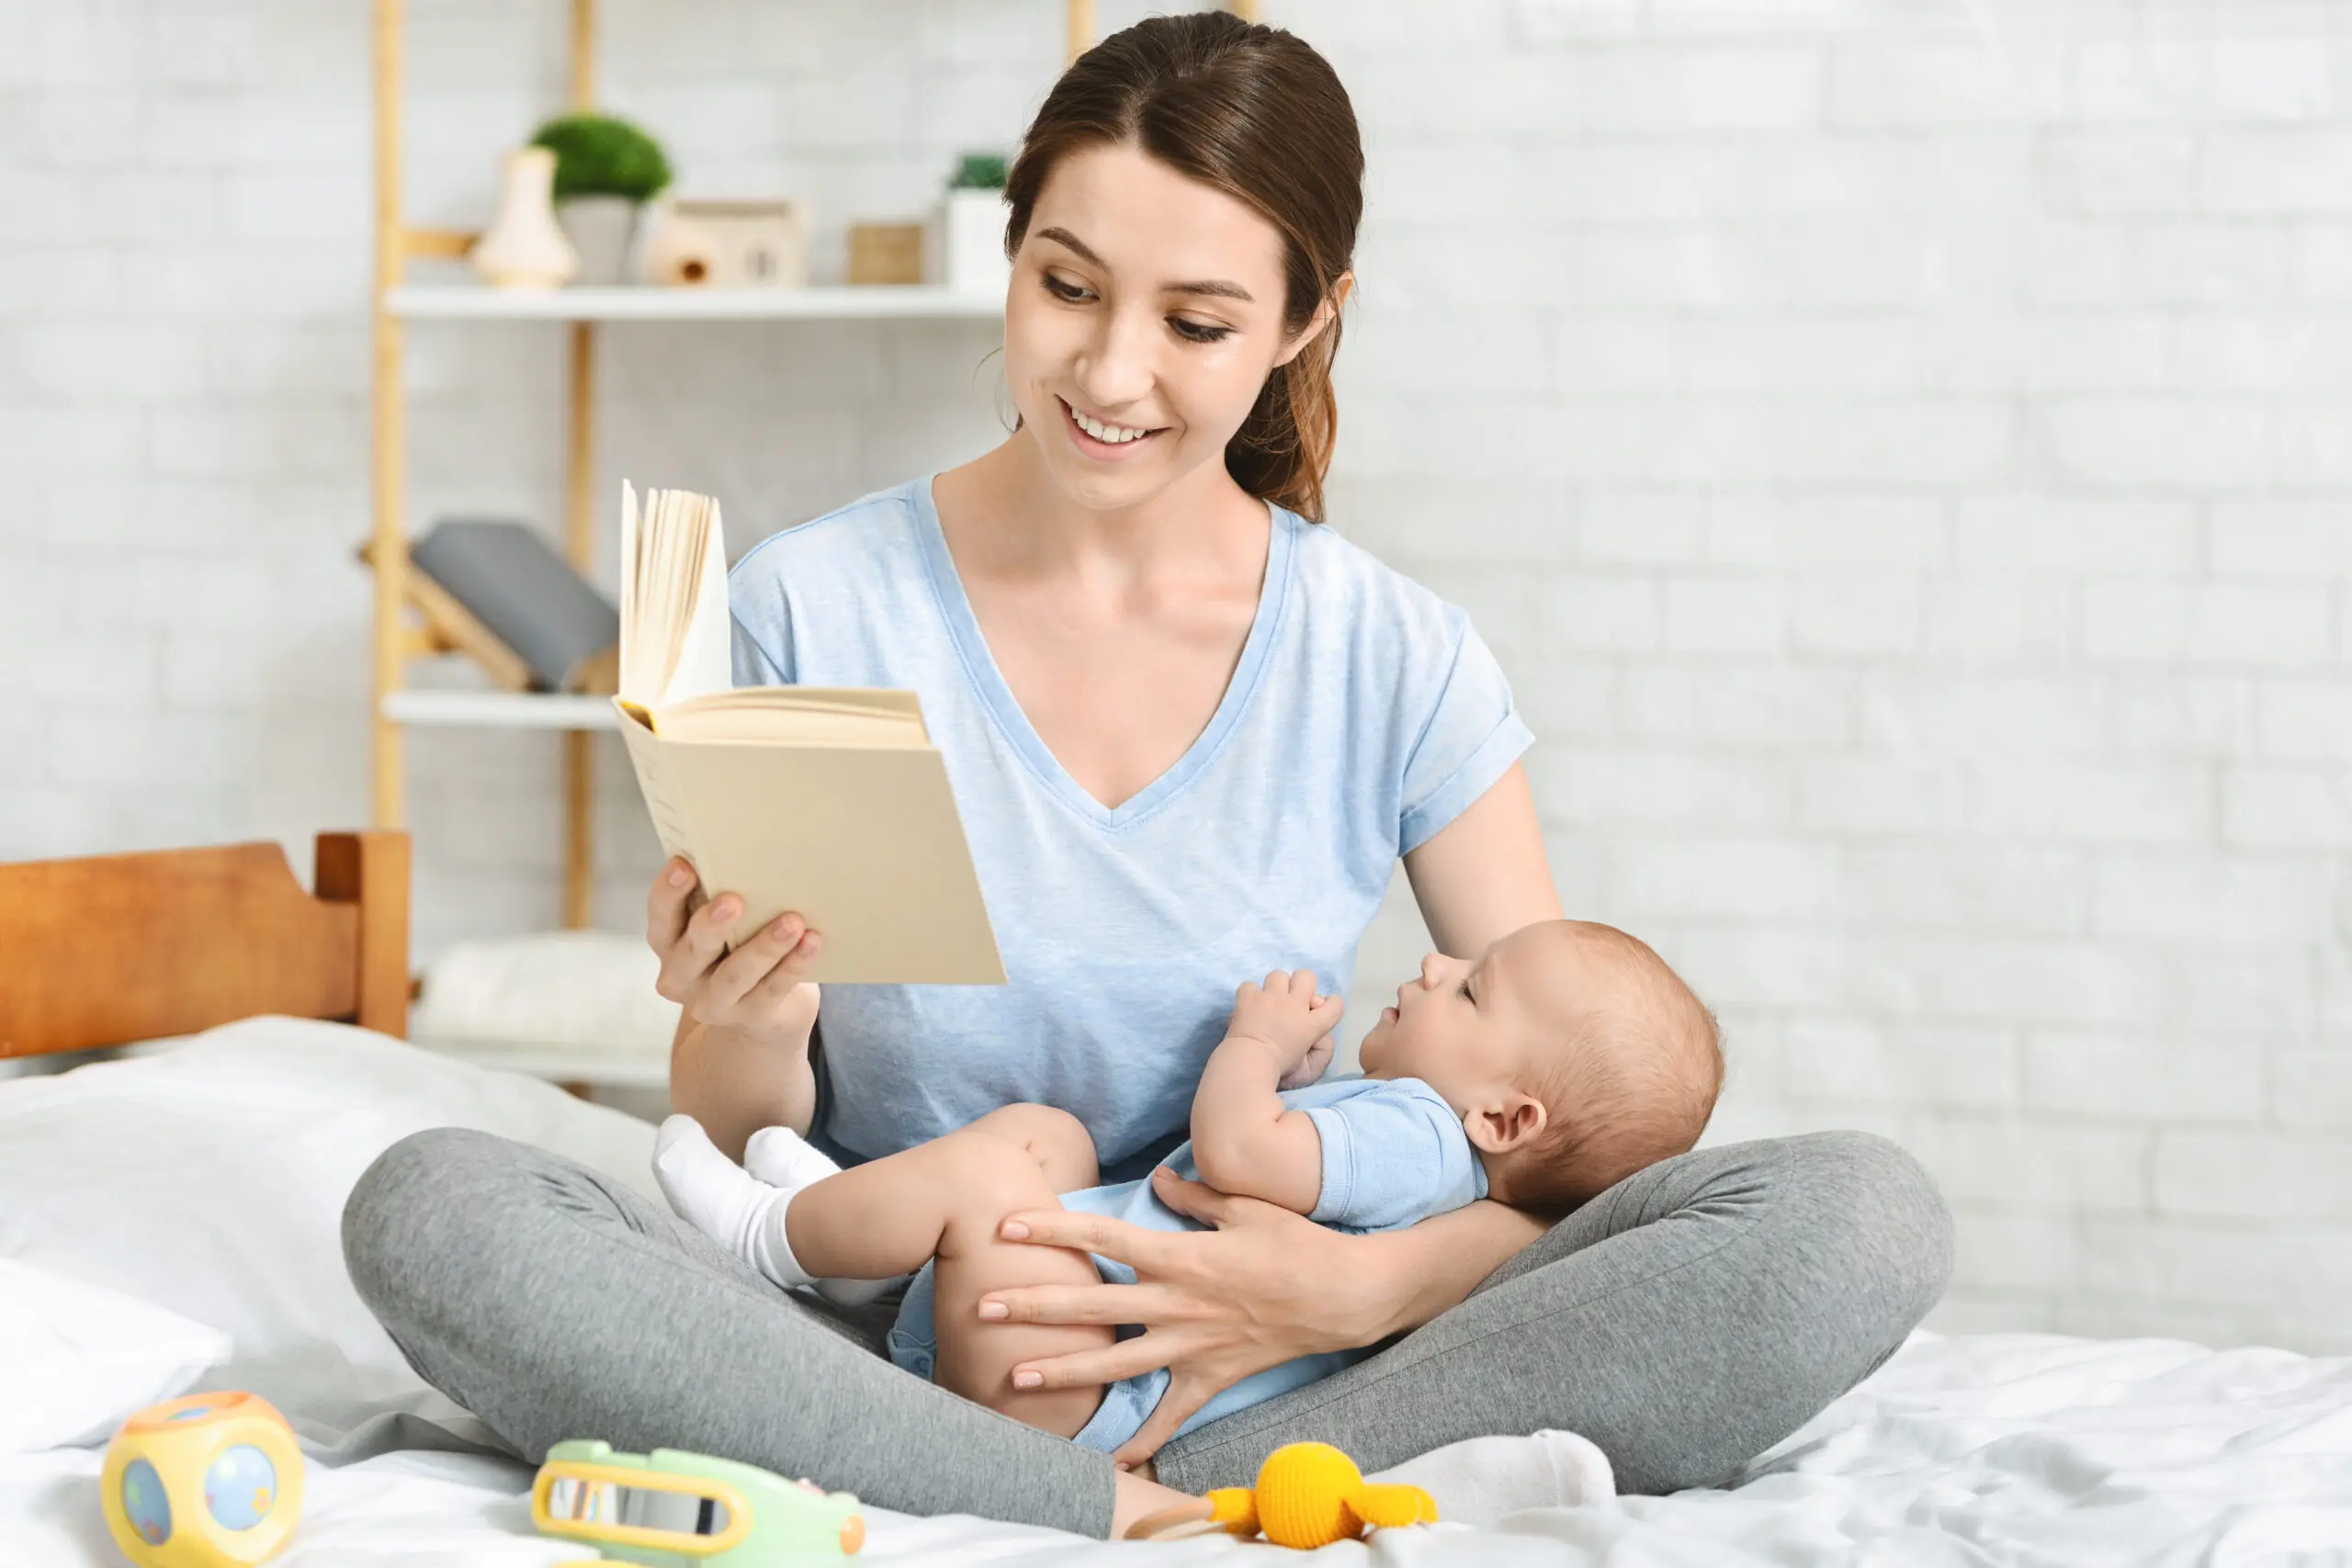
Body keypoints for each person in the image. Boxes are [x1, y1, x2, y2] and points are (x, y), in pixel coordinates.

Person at [342, 12, 1953, 1542]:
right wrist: (741, 1016)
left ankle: (1132, 1471)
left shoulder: (1393, 655)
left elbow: (1563, 1153)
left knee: (1856, 1215)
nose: (1111, 376)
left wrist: (1351, 1293)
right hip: (886, 1331)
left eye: (1195, 325)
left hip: (1283, 1352)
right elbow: (744, 1143)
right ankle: (1045, 1488)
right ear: (1014, 255)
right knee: (434, 1204)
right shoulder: (812, 604)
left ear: (1305, 323)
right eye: (1067, 288)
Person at [649, 919, 1724, 1466]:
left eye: (1474, 987)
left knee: (993, 1169)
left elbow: (1243, 1154)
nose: (1438, 965)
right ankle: (855, 1245)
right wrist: (1308, 1088)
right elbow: (1298, 1166)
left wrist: (1253, 1047)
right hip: (1066, 1345)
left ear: (1504, 1121)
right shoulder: (1420, 1144)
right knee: (1050, 1139)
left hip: (1072, 1378)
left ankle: (772, 1240)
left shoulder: (1418, 1136)